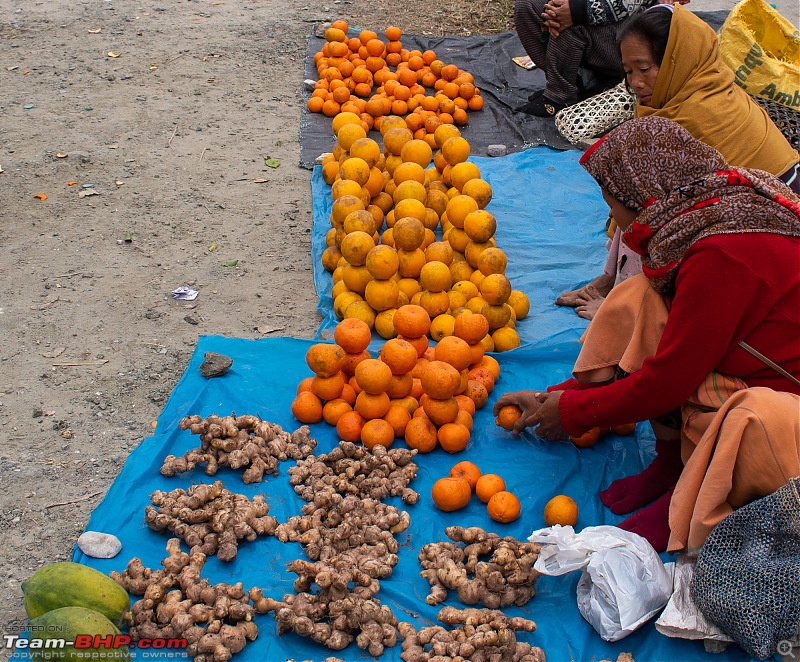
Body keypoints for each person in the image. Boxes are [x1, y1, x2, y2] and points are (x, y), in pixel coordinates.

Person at [496, 116, 800, 553]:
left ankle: (693, 497)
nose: (613, 220)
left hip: (785, 395)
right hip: (752, 347)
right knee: (641, 297)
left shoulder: (723, 254)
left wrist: (575, 413)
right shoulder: (705, 207)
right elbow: (670, 343)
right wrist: (556, 398)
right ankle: (670, 464)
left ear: (646, 198)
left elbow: (668, 381)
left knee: (750, 416)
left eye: (613, 206)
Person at [556, 4, 800, 318]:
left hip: (773, 218)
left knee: (647, 208)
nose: (635, 83)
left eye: (645, 69)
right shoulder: (676, 95)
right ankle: (611, 281)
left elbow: (667, 215)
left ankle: (632, 301)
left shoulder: (700, 111)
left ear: (677, 61)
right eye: (629, 72)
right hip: (728, 201)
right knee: (630, 187)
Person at [514, 0, 660, 116]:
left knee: (572, 24)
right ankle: (569, 82)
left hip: (629, 27)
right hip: (584, 12)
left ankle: (560, 95)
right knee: (527, 5)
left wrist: (577, 10)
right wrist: (554, 9)